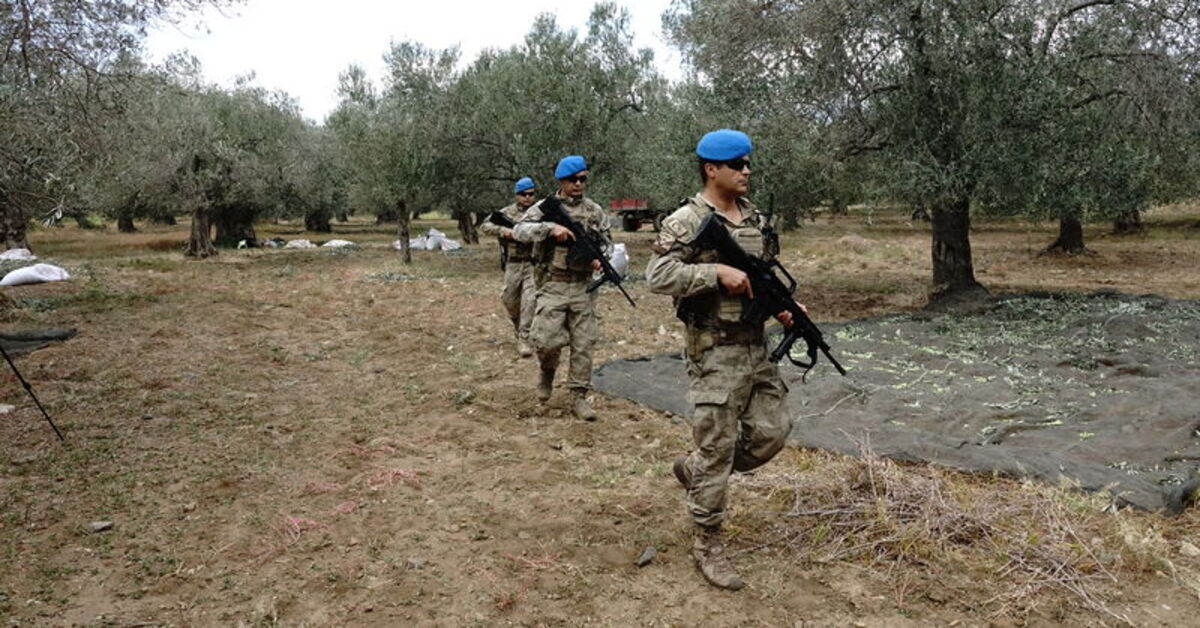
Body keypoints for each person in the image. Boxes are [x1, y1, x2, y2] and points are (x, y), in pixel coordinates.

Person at [646, 129, 801, 590]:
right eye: (737, 164)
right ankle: (708, 542)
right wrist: (714, 271)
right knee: (717, 448)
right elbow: (658, 274)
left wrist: (787, 308)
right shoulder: (685, 220)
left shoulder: (755, 218)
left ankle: (693, 472)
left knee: (773, 432)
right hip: (713, 349)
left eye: (749, 163)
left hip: (756, 345)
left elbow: (765, 276)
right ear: (711, 169)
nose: (747, 171)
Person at [513, 155, 611, 421]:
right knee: (545, 341)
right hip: (553, 285)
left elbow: (607, 242)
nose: (579, 184)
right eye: (573, 180)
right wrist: (549, 228)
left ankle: (578, 396)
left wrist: (601, 259)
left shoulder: (594, 211)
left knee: (584, 344)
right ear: (561, 181)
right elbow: (520, 230)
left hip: (583, 288)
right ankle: (547, 370)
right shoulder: (546, 207)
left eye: (583, 179)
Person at [479, 177, 539, 358]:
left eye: (531, 194)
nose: (528, 198)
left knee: (530, 300)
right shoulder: (506, 213)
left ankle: (525, 338)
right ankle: (517, 324)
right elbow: (485, 225)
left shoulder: (538, 213)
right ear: (516, 195)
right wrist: (504, 231)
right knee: (509, 299)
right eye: (523, 194)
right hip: (513, 263)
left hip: (533, 262)